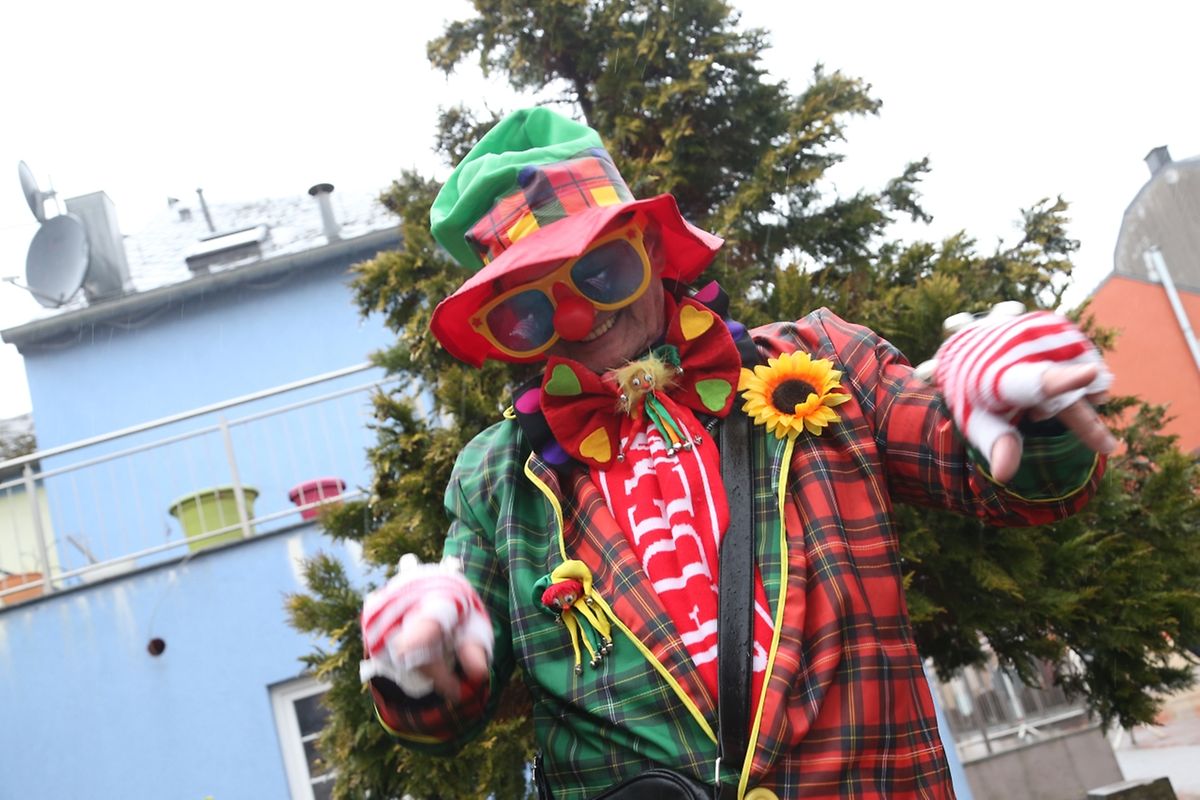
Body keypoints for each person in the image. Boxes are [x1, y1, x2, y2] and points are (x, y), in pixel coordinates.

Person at [358, 107, 1115, 800]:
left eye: (601, 272)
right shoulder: (496, 481)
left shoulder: (826, 360)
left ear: (652, 249)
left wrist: (1021, 408)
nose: (580, 317)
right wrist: (418, 668)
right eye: (529, 309)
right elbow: (448, 713)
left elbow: (1008, 483)